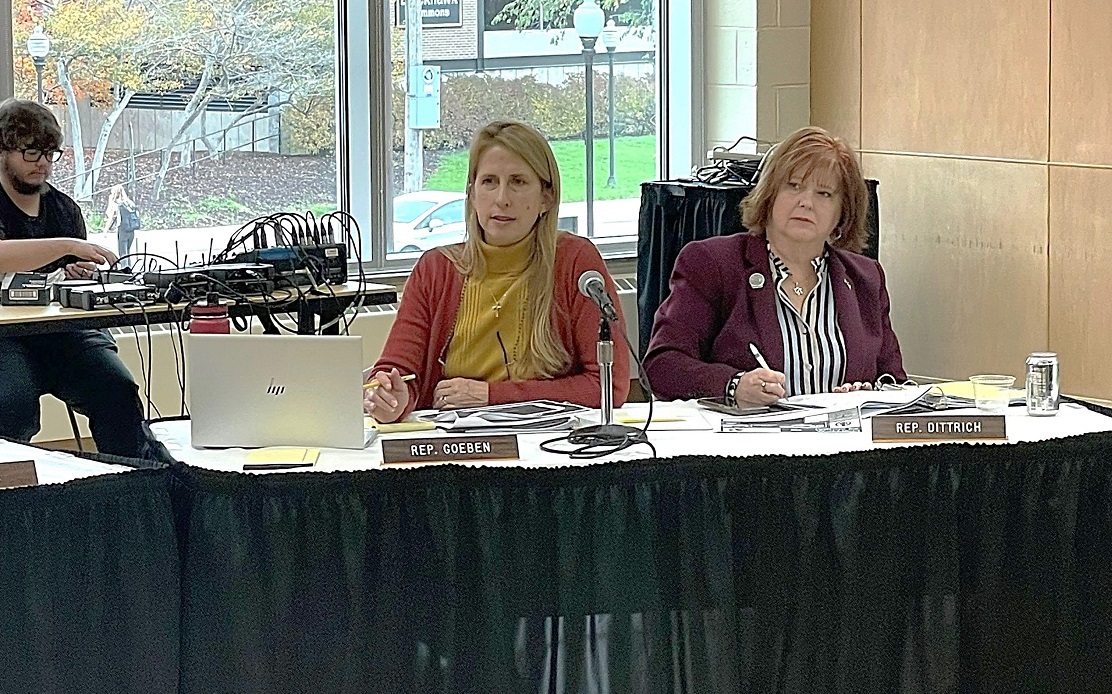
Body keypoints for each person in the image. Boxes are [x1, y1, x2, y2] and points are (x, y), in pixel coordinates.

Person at [365, 120, 630, 424]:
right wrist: (392, 398)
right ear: (472, 194)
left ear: (547, 198)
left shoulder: (574, 261)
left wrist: (492, 396)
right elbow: (397, 371)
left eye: (518, 182)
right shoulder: (435, 270)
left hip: (551, 442)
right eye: (489, 181)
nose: (502, 198)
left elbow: (610, 386)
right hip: (453, 448)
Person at [643, 125, 905, 407]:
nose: (806, 202)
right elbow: (662, 365)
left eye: (824, 194)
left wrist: (871, 395)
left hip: (845, 442)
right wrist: (733, 385)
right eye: (794, 186)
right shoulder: (713, 264)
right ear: (769, 194)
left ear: (843, 212)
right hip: (751, 444)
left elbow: (894, 381)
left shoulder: (865, 278)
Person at [0, 99, 173, 462]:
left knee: (117, 391)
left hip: (63, 332)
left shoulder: (64, 210)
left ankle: (135, 483)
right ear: (4, 150)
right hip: (6, 338)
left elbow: (74, 276)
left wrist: (83, 274)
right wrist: (69, 245)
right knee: (11, 405)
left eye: (50, 153)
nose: (43, 164)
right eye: (31, 152)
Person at [103, 183, 139, 259]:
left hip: (122, 228)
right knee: (128, 251)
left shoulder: (116, 204)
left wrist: (105, 231)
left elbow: (110, 217)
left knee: (123, 252)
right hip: (131, 229)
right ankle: (129, 267)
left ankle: (125, 268)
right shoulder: (129, 202)